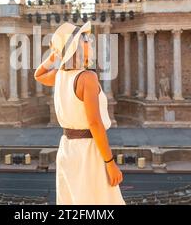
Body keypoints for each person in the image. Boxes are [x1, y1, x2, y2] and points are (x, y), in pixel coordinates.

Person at [34, 21, 125, 205]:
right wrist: (110, 162)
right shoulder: (87, 77)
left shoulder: (60, 75)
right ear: (76, 46)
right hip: (88, 153)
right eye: (86, 40)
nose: (90, 43)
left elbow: (38, 74)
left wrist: (55, 55)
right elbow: (95, 124)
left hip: (67, 150)